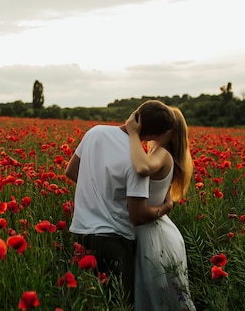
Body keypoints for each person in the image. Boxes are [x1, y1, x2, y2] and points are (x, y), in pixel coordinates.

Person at [65, 100, 175, 305]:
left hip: (79, 233)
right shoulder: (136, 162)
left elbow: (71, 171)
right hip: (114, 242)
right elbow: (138, 216)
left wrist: (98, 188)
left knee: (85, 304)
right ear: (153, 136)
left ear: (135, 116)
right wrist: (165, 208)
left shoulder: (94, 133)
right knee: (118, 304)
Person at [126, 105, 196, 311]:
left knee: (156, 300)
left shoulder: (162, 154)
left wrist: (132, 134)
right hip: (156, 230)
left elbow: (142, 168)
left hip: (151, 237)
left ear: (167, 131)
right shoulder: (160, 153)